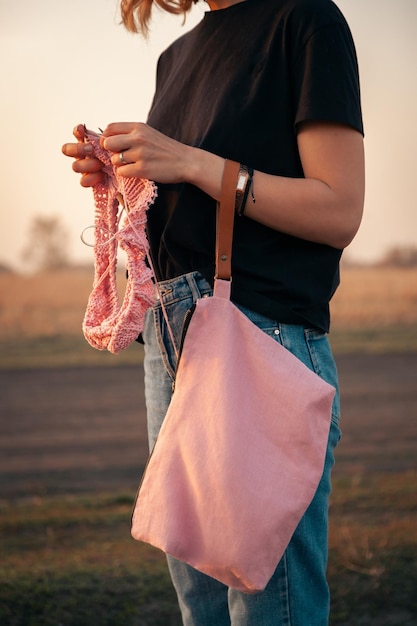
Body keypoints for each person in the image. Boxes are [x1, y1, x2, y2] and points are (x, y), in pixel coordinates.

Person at [62, 0, 364, 623]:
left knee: (268, 606)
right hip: (170, 338)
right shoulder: (177, 56)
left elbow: (339, 209)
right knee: (200, 607)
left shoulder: (306, 21)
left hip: (260, 334)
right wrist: (130, 174)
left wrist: (190, 162)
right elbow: (192, 196)